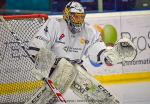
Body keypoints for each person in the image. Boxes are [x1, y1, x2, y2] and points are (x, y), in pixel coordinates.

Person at [27, 1, 137, 104]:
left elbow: (95, 46)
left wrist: (107, 56)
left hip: (74, 66)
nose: (79, 20)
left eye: (81, 17)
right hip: (54, 65)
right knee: (65, 71)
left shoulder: (88, 30)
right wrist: (41, 60)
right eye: (76, 16)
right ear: (67, 15)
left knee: (96, 91)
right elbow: (39, 42)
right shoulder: (55, 24)